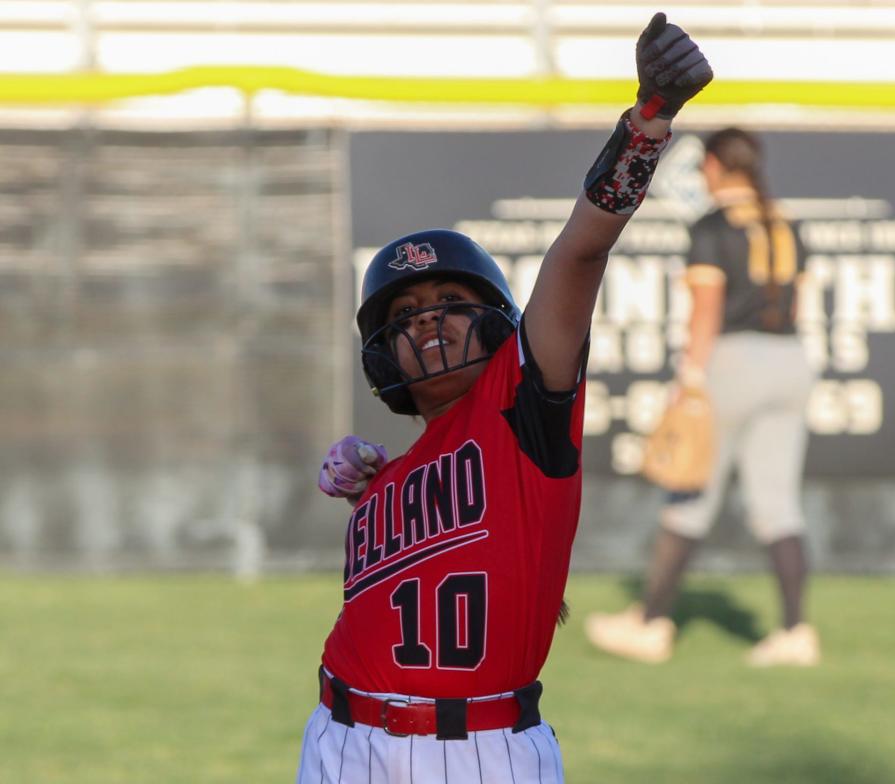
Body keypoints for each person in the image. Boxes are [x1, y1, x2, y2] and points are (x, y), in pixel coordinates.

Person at [298, 13, 712, 783]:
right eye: (403, 315)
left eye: (450, 300)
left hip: (481, 751)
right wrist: (366, 476)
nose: (427, 322)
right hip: (339, 734)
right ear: (380, 352)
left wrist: (649, 118)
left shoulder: (524, 401)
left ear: (496, 319)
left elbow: (581, 251)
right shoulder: (385, 476)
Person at [585, 127, 820, 667]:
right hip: (790, 359)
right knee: (778, 504)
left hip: (733, 361)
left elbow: (707, 309)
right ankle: (796, 631)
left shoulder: (714, 226)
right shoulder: (787, 224)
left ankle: (650, 623)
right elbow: (798, 305)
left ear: (714, 166)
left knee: (690, 495)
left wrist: (690, 378)